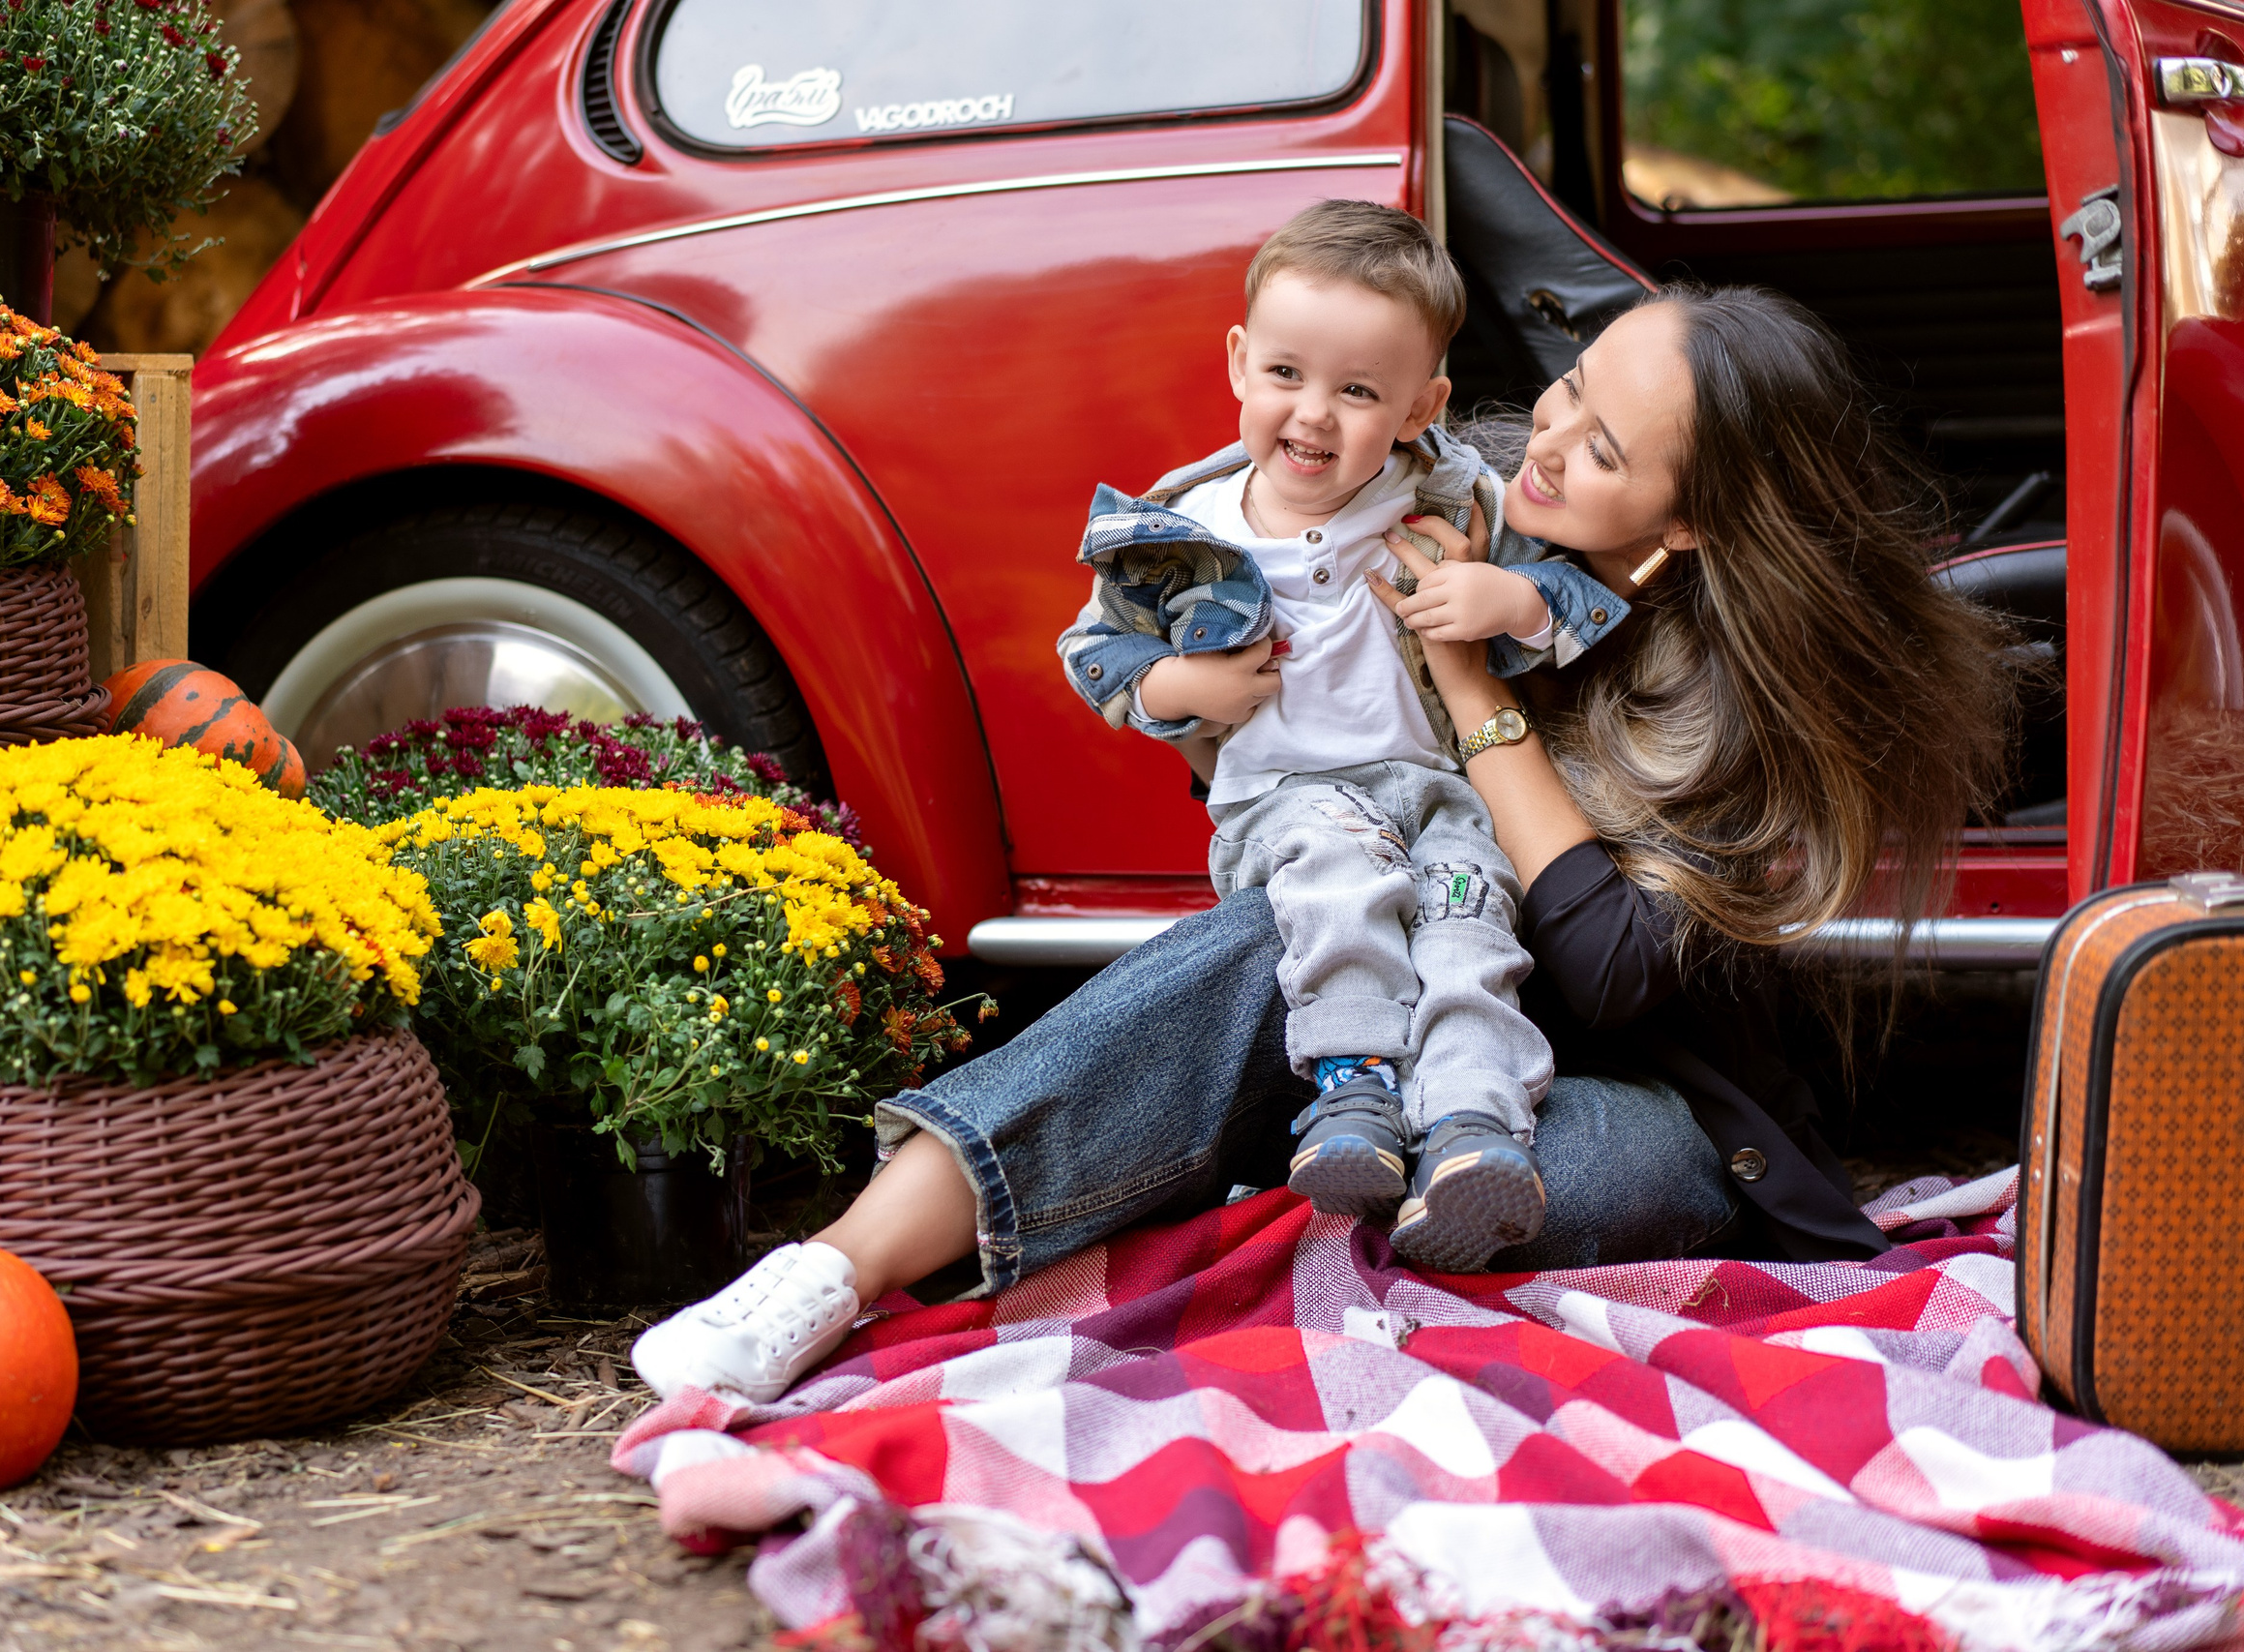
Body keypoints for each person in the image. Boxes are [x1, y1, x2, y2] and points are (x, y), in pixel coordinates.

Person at [632, 283, 2017, 1406]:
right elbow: (1275, 749)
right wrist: (1201, 679)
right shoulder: (1440, 510)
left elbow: (1609, 973)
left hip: (1619, 1106)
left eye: (1602, 449)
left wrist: (1476, 687)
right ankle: (826, 1270)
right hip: (1380, 1003)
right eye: (1573, 385)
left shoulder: (1741, 693)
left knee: (1446, 1171)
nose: (1548, 434)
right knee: (1270, 945)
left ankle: (1233, 1176)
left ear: (1693, 516)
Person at [1060, 200, 1634, 1271]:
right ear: (1238, 362)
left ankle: (1473, 1129)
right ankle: (1353, 1092)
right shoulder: (1183, 530)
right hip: (1287, 798)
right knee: (1336, 888)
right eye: (1285, 375)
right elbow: (1097, 657)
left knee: (1470, 926)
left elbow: (1572, 601)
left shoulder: (1453, 499)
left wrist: (1502, 600)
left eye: (1358, 391)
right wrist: (1184, 683)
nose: (1312, 415)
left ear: (1422, 404)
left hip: (1441, 794)